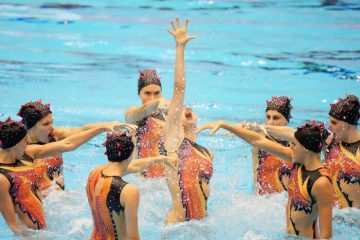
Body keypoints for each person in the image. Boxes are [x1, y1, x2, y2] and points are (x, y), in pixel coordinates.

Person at [197, 120, 333, 239]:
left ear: (306, 149)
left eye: (294, 144)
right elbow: (258, 140)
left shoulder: (321, 182)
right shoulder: (297, 162)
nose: (290, 147)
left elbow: (326, 235)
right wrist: (225, 124)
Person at [0, 117, 112, 234]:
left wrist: (101, 128)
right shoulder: (2, 178)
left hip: (43, 229)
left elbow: (68, 144)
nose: (27, 143)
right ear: (14, 145)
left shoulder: (27, 153)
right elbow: (12, 224)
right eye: (25, 141)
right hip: (30, 235)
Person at [163, 17, 214, 224]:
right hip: (177, 225)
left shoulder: (207, 152)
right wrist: (180, 48)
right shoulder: (173, 141)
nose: (188, 108)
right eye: (183, 108)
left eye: (191, 108)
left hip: (202, 224)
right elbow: (179, 88)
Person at [18, 100, 132, 191]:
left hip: (59, 198)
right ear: (31, 127)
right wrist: (102, 128)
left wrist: (107, 124)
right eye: (46, 124)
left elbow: (81, 129)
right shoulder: (22, 150)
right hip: (39, 205)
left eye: (51, 122)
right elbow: (69, 144)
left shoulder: (53, 135)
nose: (51, 127)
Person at [86, 130, 177, 240]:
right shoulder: (128, 191)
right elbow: (133, 237)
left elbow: (133, 166)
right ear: (130, 156)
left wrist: (161, 159)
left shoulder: (94, 174)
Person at [231, 96, 293, 194]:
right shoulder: (260, 140)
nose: (270, 122)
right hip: (264, 201)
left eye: (276, 118)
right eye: (268, 117)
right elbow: (256, 177)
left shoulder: (295, 143)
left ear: (286, 121)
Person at [124, 69, 170, 178]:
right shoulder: (132, 113)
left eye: (157, 93)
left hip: (166, 179)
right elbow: (146, 109)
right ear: (139, 93)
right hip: (144, 181)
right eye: (147, 93)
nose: (152, 98)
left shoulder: (167, 113)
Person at [325, 94, 359, 208]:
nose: (329, 127)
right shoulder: (329, 142)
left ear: (348, 124)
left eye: (334, 123)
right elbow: (294, 135)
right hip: (333, 216)